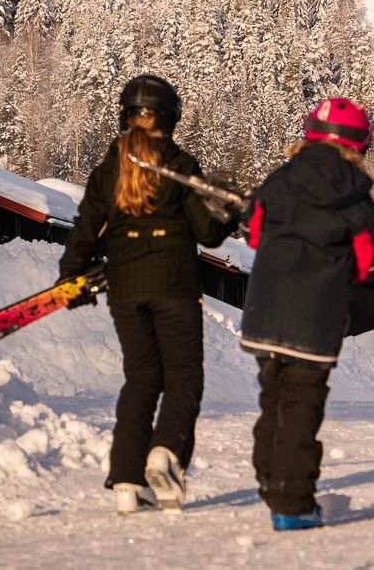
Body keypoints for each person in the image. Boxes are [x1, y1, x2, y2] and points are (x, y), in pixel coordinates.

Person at [58, 74, 237, 516]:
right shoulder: (178, 165)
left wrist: (70, 277)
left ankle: (127, 479)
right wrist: (229, 210)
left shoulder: (108, 171)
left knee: (141, 380)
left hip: (125, 289)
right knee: (183, 379)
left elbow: (84, 230)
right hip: (174, 286)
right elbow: (208, 234)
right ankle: (165, 454)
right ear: (170, 118)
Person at [240, 97, 374, 531]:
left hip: (266, 312)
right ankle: (293, 502)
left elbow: (252, 233)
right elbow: (365, 262)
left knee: (273, 401)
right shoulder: (356, 197)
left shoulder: (279, 181)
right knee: (301, 409)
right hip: (315, 318)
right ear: (358, 145)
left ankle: (272, 483)